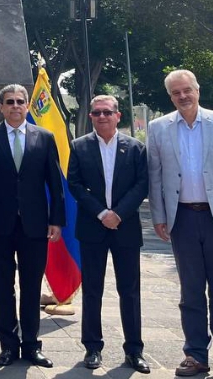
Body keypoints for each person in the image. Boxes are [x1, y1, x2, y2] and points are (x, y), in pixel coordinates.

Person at [147, 70, 213, 379]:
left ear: (197, 89)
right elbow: (154, 176)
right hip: (182, 218)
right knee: (190, 291)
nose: (183, 96)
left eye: (187, 90)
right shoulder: (158, 128)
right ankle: (195, 355)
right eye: (176, 92)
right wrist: (159, 216)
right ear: (170, 97)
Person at [0, 83, 65, 368]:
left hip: (35, 226)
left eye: (20, 101)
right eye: (9, 102)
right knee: (2, 285)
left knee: (31, 286)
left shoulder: (44, 138)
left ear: (26, 105)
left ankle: (32, 346)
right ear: (1, 107)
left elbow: (55, 184)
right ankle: (8, 346)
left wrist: (56, 221)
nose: (15, 106)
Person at [68, 96, 150, 373]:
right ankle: (92, 348)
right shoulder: (79, 147)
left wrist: (119, 214)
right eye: (97, 112)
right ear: (91, 116)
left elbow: (142, 185)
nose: (102, 116)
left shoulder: (136, 148)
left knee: (130, 290)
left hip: (125, 227)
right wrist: (102, 213)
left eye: (107, 112)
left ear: (118, 115)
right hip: (93, 227)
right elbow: (75, 185)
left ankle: (134, 350)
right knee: (92, 290)